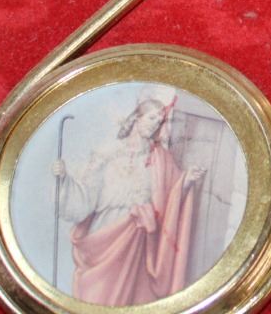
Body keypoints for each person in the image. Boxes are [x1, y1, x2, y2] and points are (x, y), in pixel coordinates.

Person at [52, 95, 208, 305]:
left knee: (130, 299)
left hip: (138, 237)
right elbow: (85, 195)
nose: (156, 125)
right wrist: (64, 180)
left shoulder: (160, 158)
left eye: (160, 121)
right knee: (99, 295)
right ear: (136, 118)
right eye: (151, 118)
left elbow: (172, 191)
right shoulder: (107, 154)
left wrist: (186, 180)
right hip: (105, 233)